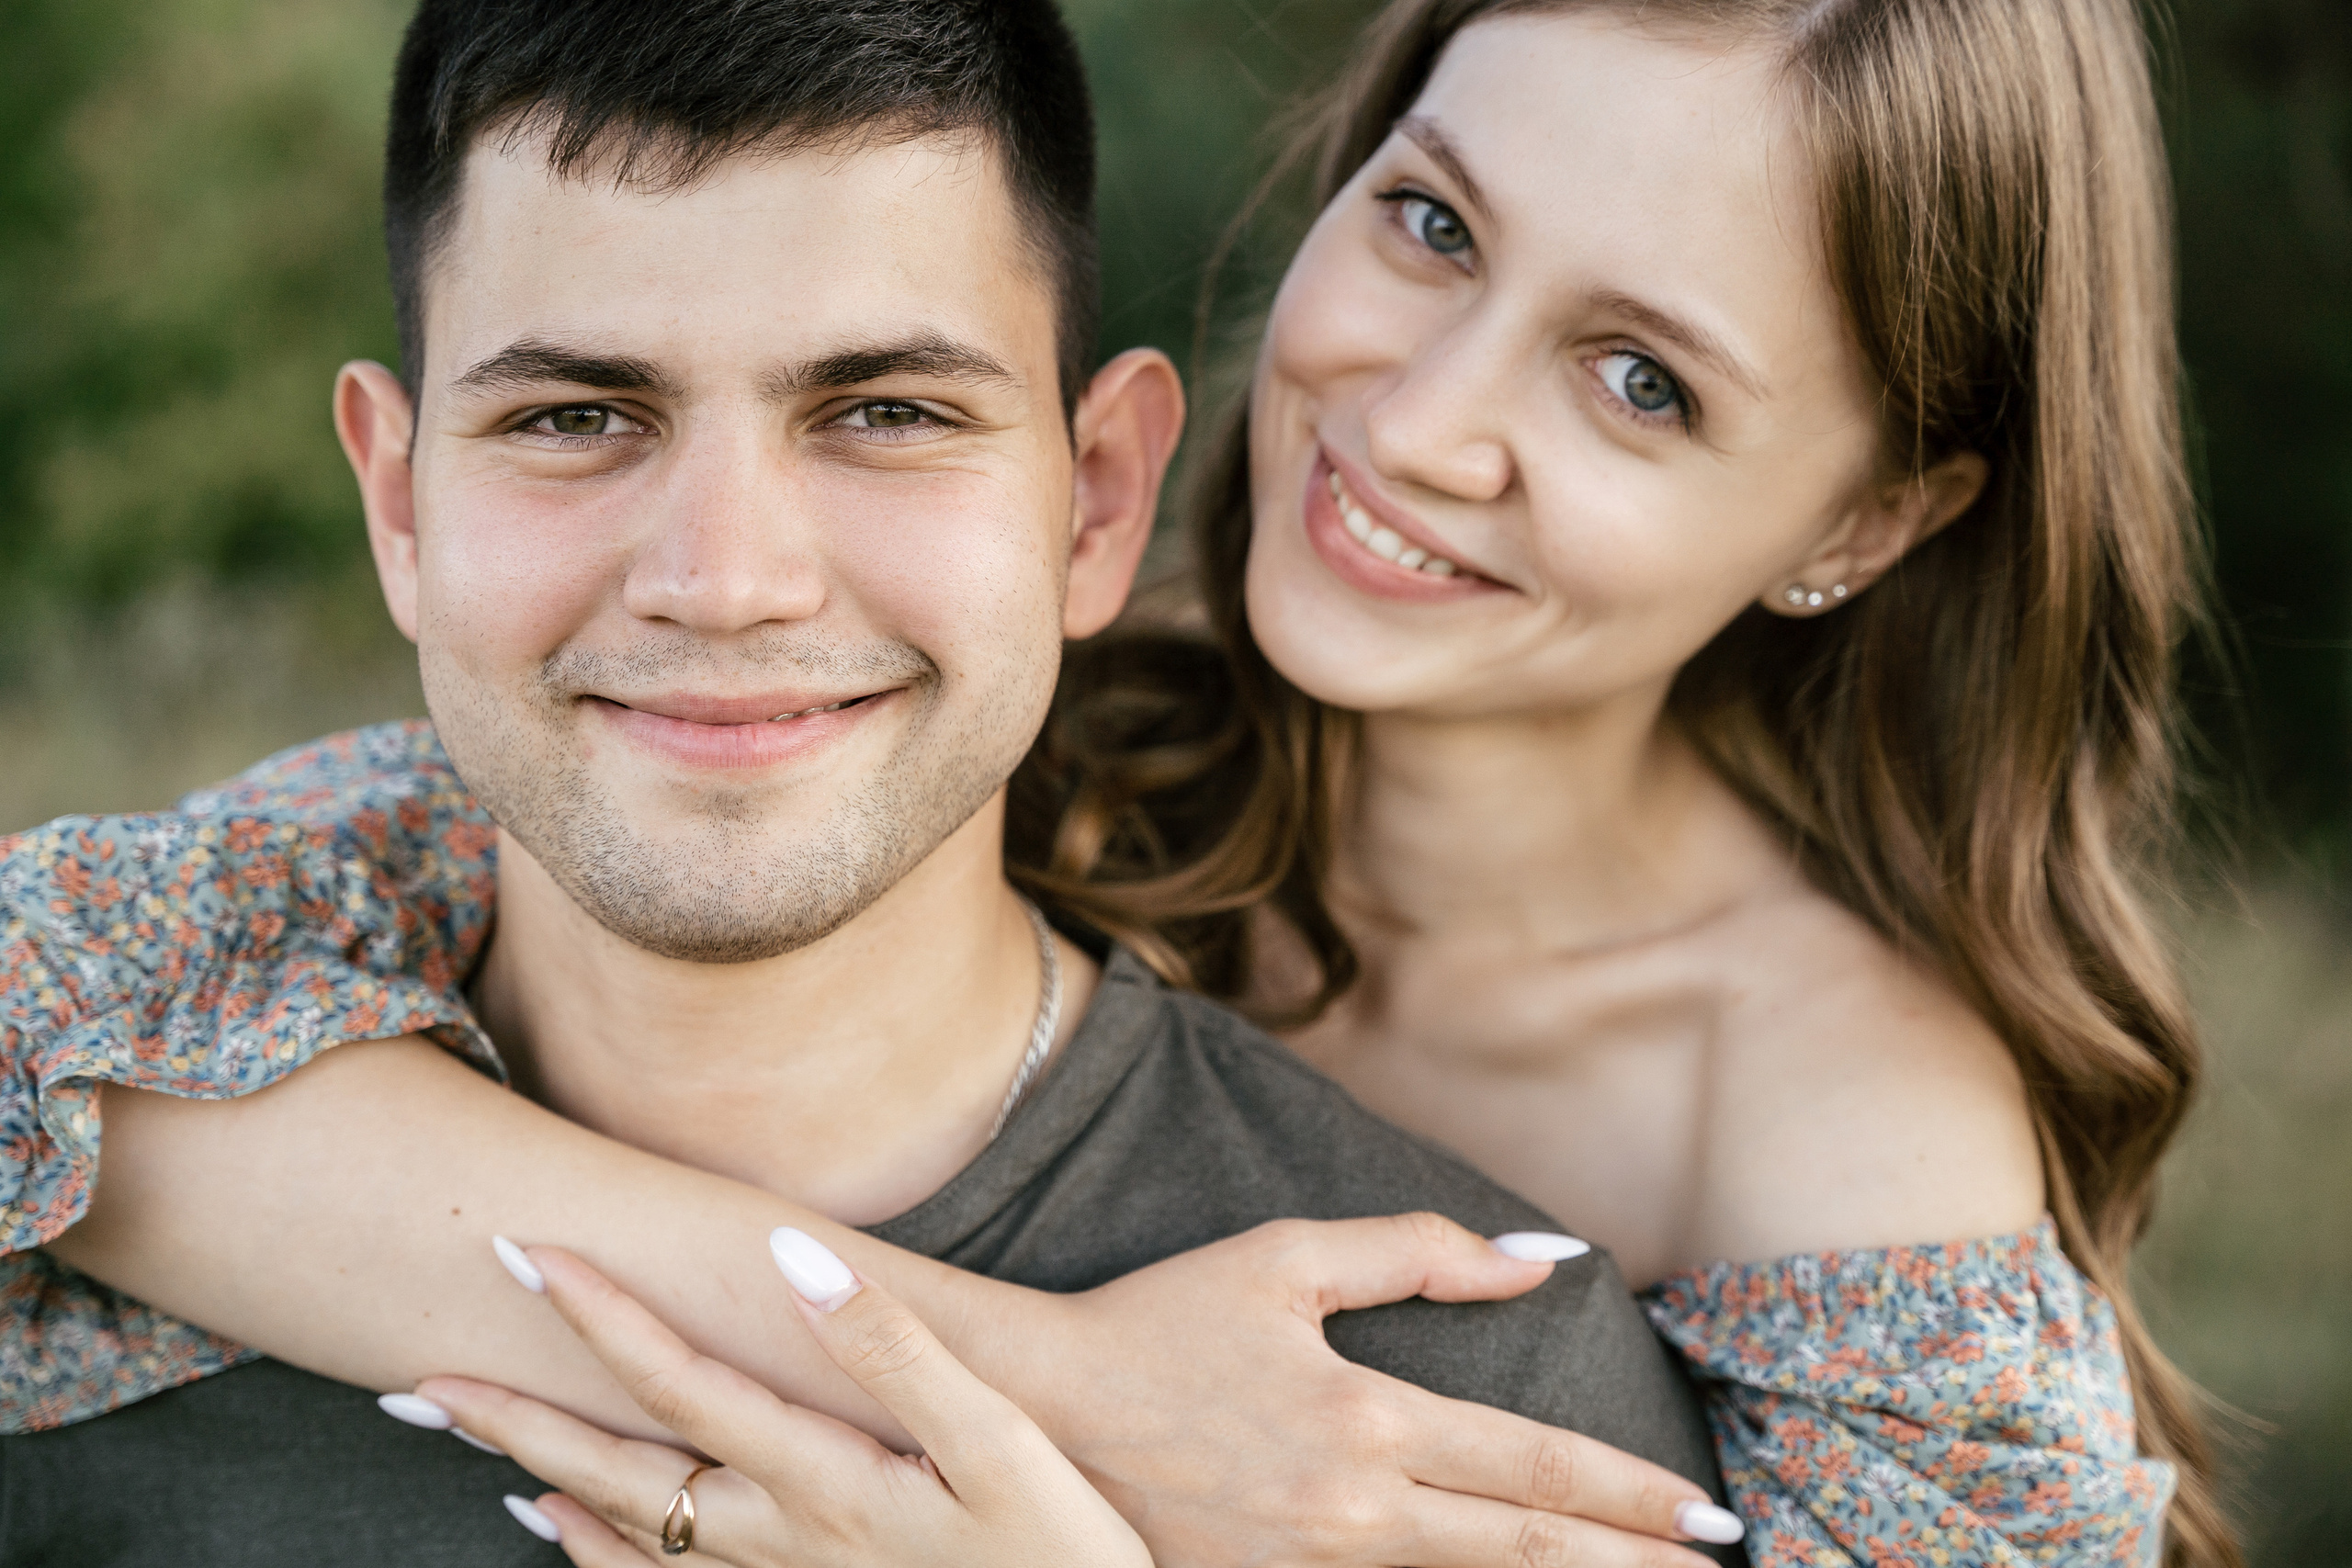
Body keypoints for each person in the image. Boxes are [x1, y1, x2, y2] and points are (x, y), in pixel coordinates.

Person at [1, 0, 2226, 1563]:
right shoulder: (973, 720)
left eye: (1639, 379)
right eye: (1434, 226)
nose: (1417, 421)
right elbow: (55, 1026)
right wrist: (1062, 1396)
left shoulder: (1835, 1119)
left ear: (1868, 515)